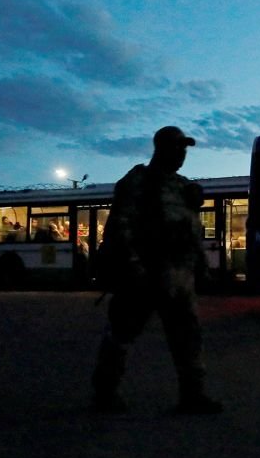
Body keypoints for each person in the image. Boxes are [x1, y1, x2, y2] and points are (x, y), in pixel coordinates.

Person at [90, 126, 221, 415]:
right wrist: (134, 267)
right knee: (122, 335)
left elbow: (191, 229)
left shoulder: (183, 186)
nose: (182, 154)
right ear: (160, 148)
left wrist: (200, 265)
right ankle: (105, 392)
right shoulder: (138, 182)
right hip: (145, 276)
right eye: (177, 148)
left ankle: (193, 395)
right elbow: (121, 227)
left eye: (184, 149)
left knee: (188, 336)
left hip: (178, 277)